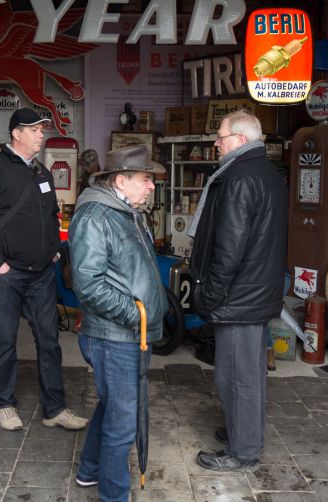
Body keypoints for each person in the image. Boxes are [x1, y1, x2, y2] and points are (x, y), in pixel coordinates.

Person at [0, 108, 88, 432]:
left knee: (50, 341)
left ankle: (55, 408)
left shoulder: (42, 173)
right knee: (4, 339)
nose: (41, 134)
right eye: (34, 130)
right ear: (16, 133)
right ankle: (4, 403)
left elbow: (48, 217)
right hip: (8, 273)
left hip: (42, 273)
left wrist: (54, 253)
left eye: (42, 129)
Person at [188, 109, 288, 471]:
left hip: (239, 296)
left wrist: (209, 295)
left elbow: (229, 248)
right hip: (254, 291)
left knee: (235, 375)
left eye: (221, 136)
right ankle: (243, 433)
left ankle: (243, 451)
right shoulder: (266, 173)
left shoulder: (240, 177)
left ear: (240, 141)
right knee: (250, 373)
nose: (216, 143)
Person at [68, 144, 168, 501]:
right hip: (116, 336)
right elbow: (88, 284)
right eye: (146, 178)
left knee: (114, 407)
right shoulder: (96, 216)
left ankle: (90, 471)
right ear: (121, 181)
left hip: (127, 335)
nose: (152, 185)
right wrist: (136, 315)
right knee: (123, 422)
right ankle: (114, 495)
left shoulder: (126, 211)